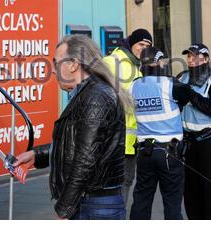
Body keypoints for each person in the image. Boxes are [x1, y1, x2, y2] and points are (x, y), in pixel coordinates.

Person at [14, 35, 128, 220]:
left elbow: (85, 159)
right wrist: (38, 155)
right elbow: (79, 144)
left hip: (93, 206)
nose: (52, 70)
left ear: (74, 64)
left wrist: (63, 210)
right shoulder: (90, 93)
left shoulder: (95, 97)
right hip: (90, 203)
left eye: (56, 62)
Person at [129, 47, 191, 220]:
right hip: (169, 153)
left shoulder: (133, 86)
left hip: (144, 153)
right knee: (172, 202)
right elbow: (186, 95)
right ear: (159, 62)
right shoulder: (170, 84)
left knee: (141, 201)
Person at [177, 44, 211, 220]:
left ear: (206, 59)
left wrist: (190, 94)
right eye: (189, 57)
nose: (191, 60)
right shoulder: (181, 78)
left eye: (195, 56)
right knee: (190, 191)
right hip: (189, 142)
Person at [103, 28, 152, 206]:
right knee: (114, 185)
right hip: (114, 139)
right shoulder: (111, 62)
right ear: (131, 43)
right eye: (140, 44)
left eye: (148, 45)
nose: (143, 48)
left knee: (126, 182)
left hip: (132, 141)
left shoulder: (139, 67)